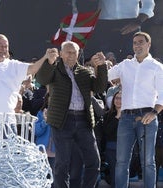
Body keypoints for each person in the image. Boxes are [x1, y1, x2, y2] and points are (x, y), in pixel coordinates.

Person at [35, 41, 108, 188]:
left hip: (83, 120)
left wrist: (101, 66)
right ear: (61, 54)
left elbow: (99, 87)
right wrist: (49, 61)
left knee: (94, 162)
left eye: (74, 52)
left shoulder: (85, 72)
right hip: (63, 121)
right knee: (62, 163)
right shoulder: (55, 69)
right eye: (67, 52)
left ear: (78, 54)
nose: (71, 55)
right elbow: (41, 79)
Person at [108, 31, 163, 188]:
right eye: (135, 43)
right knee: (121, 161)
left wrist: (154, 113)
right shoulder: (125, 65)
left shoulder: (157, 67)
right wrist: (100, 65)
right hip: (125, 118)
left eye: (141, 42)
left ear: (149, 44)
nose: (137, 45)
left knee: (148, 161)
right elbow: (107, 76)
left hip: (147, 116)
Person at [85, 0, 155, 62]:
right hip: (104, 24)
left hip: (132, 23)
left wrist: (138, 22)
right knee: (106, 59)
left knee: (132, 59)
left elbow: (148, 4)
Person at [102, 91, 121, 187]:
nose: (118, 101)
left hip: (126, 148)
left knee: (124, 172)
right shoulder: (108, 115)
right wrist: (117, 117)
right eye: (116, 98)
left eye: (121, 98)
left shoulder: (129, 116)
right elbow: (107, 132)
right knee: (114, 172)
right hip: (112, 147)